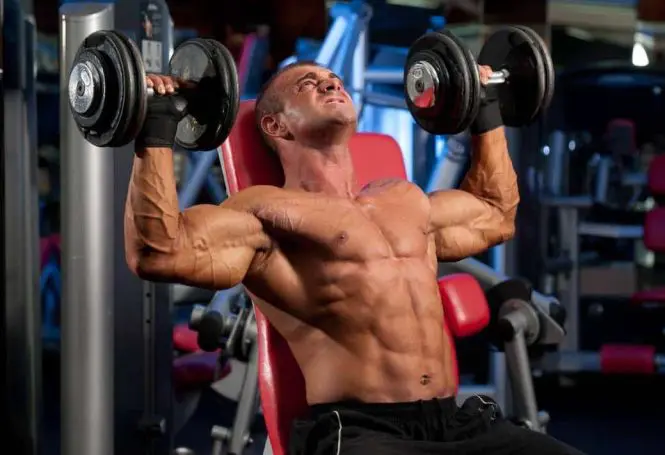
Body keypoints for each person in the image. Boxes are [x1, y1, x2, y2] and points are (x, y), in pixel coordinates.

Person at [126, 60, 584, 455]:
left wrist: (486, 111)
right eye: (307, 84)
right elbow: (159, 252)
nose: (330, 84)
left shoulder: (404, 198)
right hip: (362, 432)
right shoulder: (265, 212)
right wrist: (157, 130)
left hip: (458, 422)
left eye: (333, 79)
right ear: (275, 126)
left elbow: (495, 214)